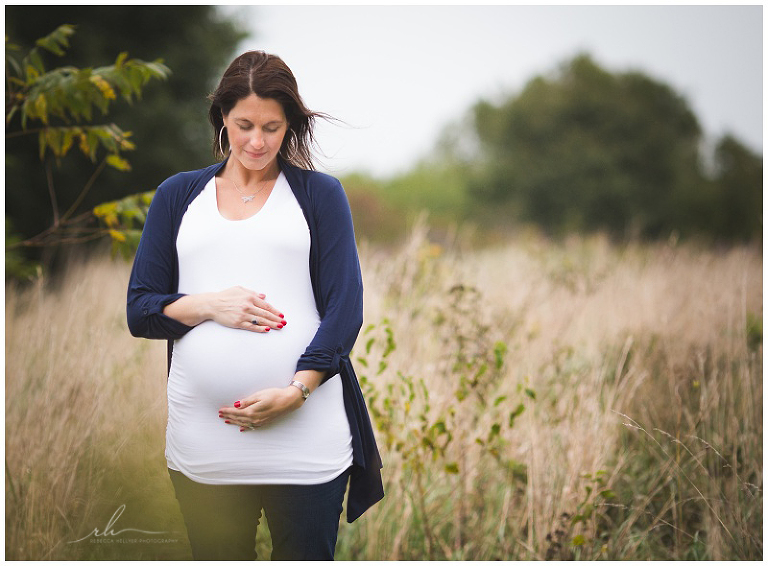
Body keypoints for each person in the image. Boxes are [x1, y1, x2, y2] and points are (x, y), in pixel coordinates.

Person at [126, 50, 384, 560]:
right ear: (222, 117)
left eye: (272, 126)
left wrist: (298, 391)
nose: (257, 141)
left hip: (306, 438)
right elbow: (141, 310)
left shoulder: (318, 195)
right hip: (205, 445)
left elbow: (345, 309)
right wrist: (207, 305)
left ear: (290, 125)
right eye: (244, 124)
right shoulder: (178, 196)